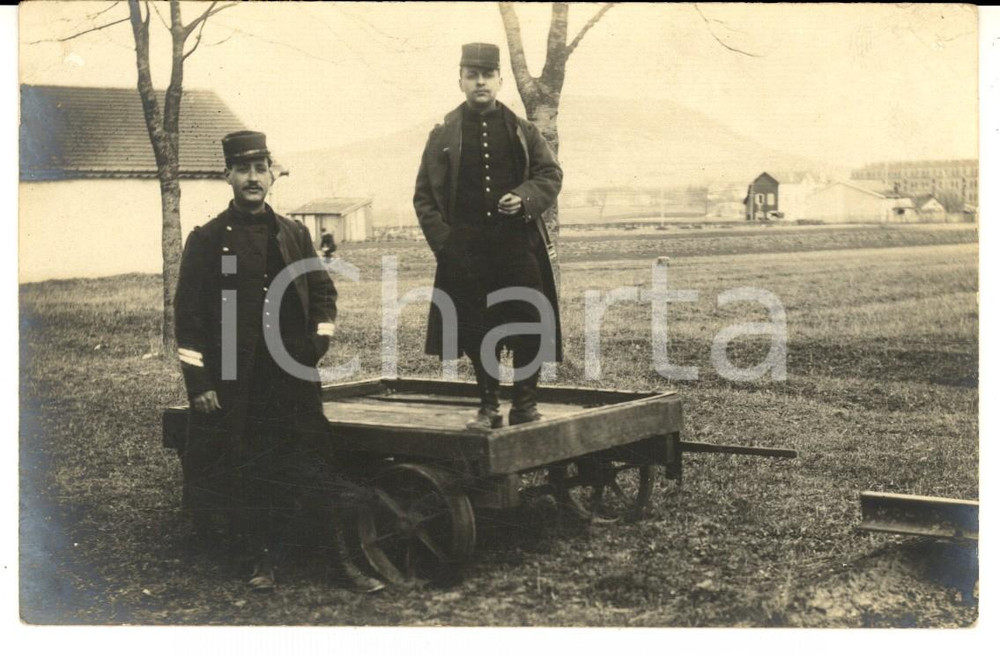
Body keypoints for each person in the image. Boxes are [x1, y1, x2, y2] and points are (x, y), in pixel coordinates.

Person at [174, 130, 383, 593]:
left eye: (260, 169)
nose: (252, 178)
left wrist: (317, 342)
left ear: (272, 175)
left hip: (293, 373)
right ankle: (260, 559)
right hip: (238, 378)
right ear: (228, 175)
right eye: (242, 169)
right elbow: (188, 316)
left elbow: (322, 291)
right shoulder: (207, 239)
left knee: (314, 459)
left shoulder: (294, 233)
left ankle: (339, 559)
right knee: (249, 465)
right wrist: (200, 383)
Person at [414, 43, 563, 430]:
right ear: (461, 81)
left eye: (487, 75)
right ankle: (489, 407)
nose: (480, 82)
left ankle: (525, 405)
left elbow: (550, 174)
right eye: (472, 75)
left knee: (529, 320)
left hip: (517, 247)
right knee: (477, 326)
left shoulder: (523, 130)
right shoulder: (442, 134)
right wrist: (446, 245)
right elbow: (424, 197)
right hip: (465, 251)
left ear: (499, 80)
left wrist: (525, 198)